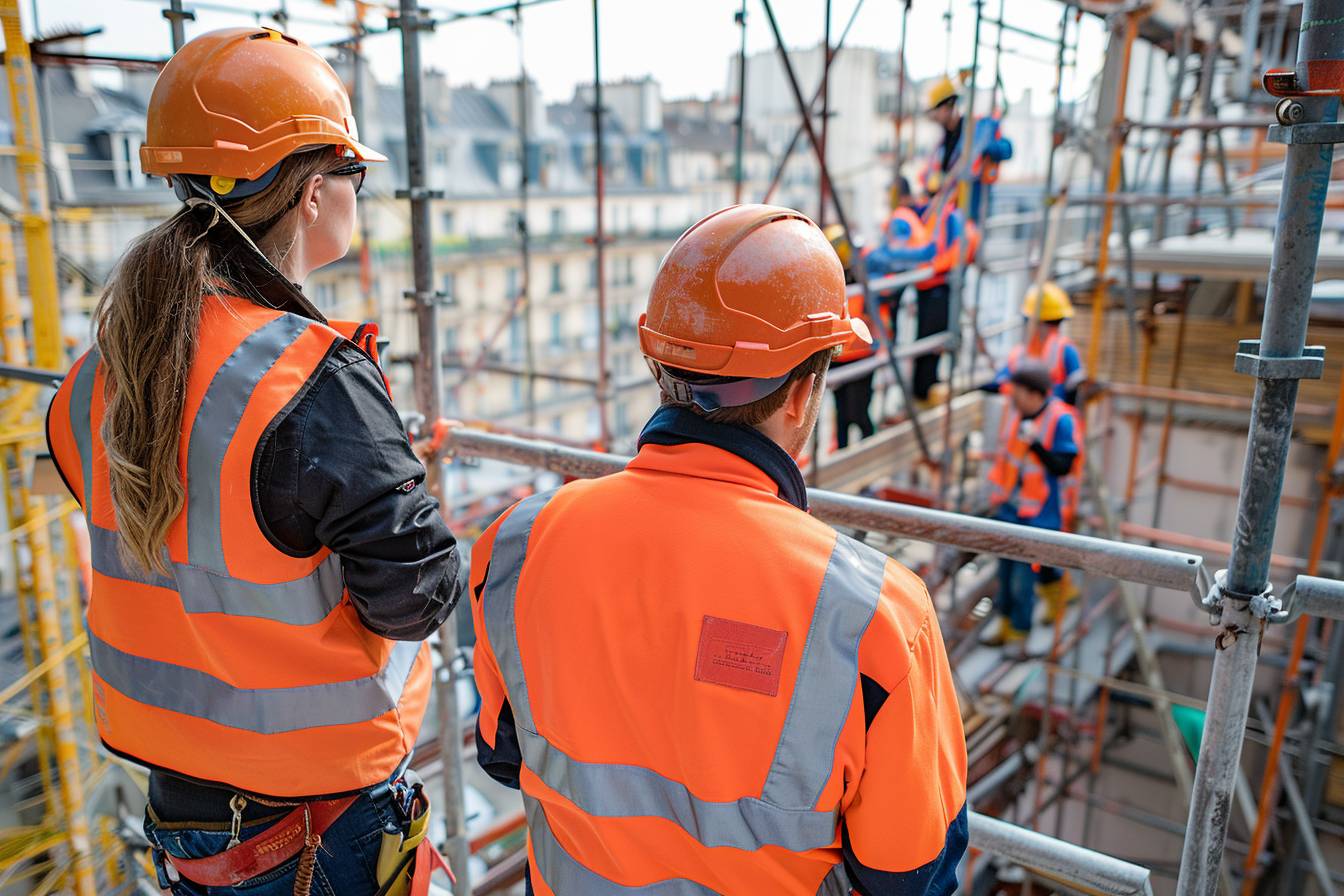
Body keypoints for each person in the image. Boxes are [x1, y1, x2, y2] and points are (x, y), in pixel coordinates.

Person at [45, 28, 461, 895]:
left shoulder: (102, 371)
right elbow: (416, 594)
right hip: (318, 814)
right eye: (355, 176)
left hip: (180, 796)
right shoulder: (315, 384)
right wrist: (379, 471)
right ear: (313, 194)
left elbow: (198, 513)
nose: (359, 193)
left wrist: (361, 467)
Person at [472, 204, 968, 895]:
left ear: (659, 363)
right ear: (801, 394)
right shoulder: (877, 617)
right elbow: (910, 873)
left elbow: (501, 754)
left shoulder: (518, 545)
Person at [983, 361, 1081, 647]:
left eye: (1019, 393)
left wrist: (1036, 445)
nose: (1014, 398)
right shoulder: (1018, 414)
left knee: (1024, 578)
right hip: (1010, 507)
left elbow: (1063, 465)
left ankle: (1019, 632)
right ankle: (1004, 622)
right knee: (1005, 570)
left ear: (1036, 395)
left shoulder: (1060, 420)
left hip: (1039, 512)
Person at [866, 178, 981, 407]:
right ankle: (922, 391)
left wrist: (931, 267)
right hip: (929, 285)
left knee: (930, 343)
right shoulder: (934, 216)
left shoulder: (947, 216)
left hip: (938, 285)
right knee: (927, 342)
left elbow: (945, 252)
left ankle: (923, 393)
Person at [920, 75, 1013, 224]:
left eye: (936, 111)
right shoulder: (942, 142)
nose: (934, 117)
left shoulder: (976, 130)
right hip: (947, 215)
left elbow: (1007, 149)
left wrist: (987, 147)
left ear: (948, 106)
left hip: (971, 213)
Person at [985, 281, 1087, 405]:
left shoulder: (1066, 350)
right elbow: (1000, 383)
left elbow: (1076, 391)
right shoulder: (1019, 354)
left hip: (1051, 422)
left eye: (1055, 323)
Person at [823, 224, 876, 449]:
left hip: (859, 354)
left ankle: (868, 455)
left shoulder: (860, 275)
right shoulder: (831, 279)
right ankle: (845, 453)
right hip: (840, 356)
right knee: (843, 415)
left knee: (858, 414)